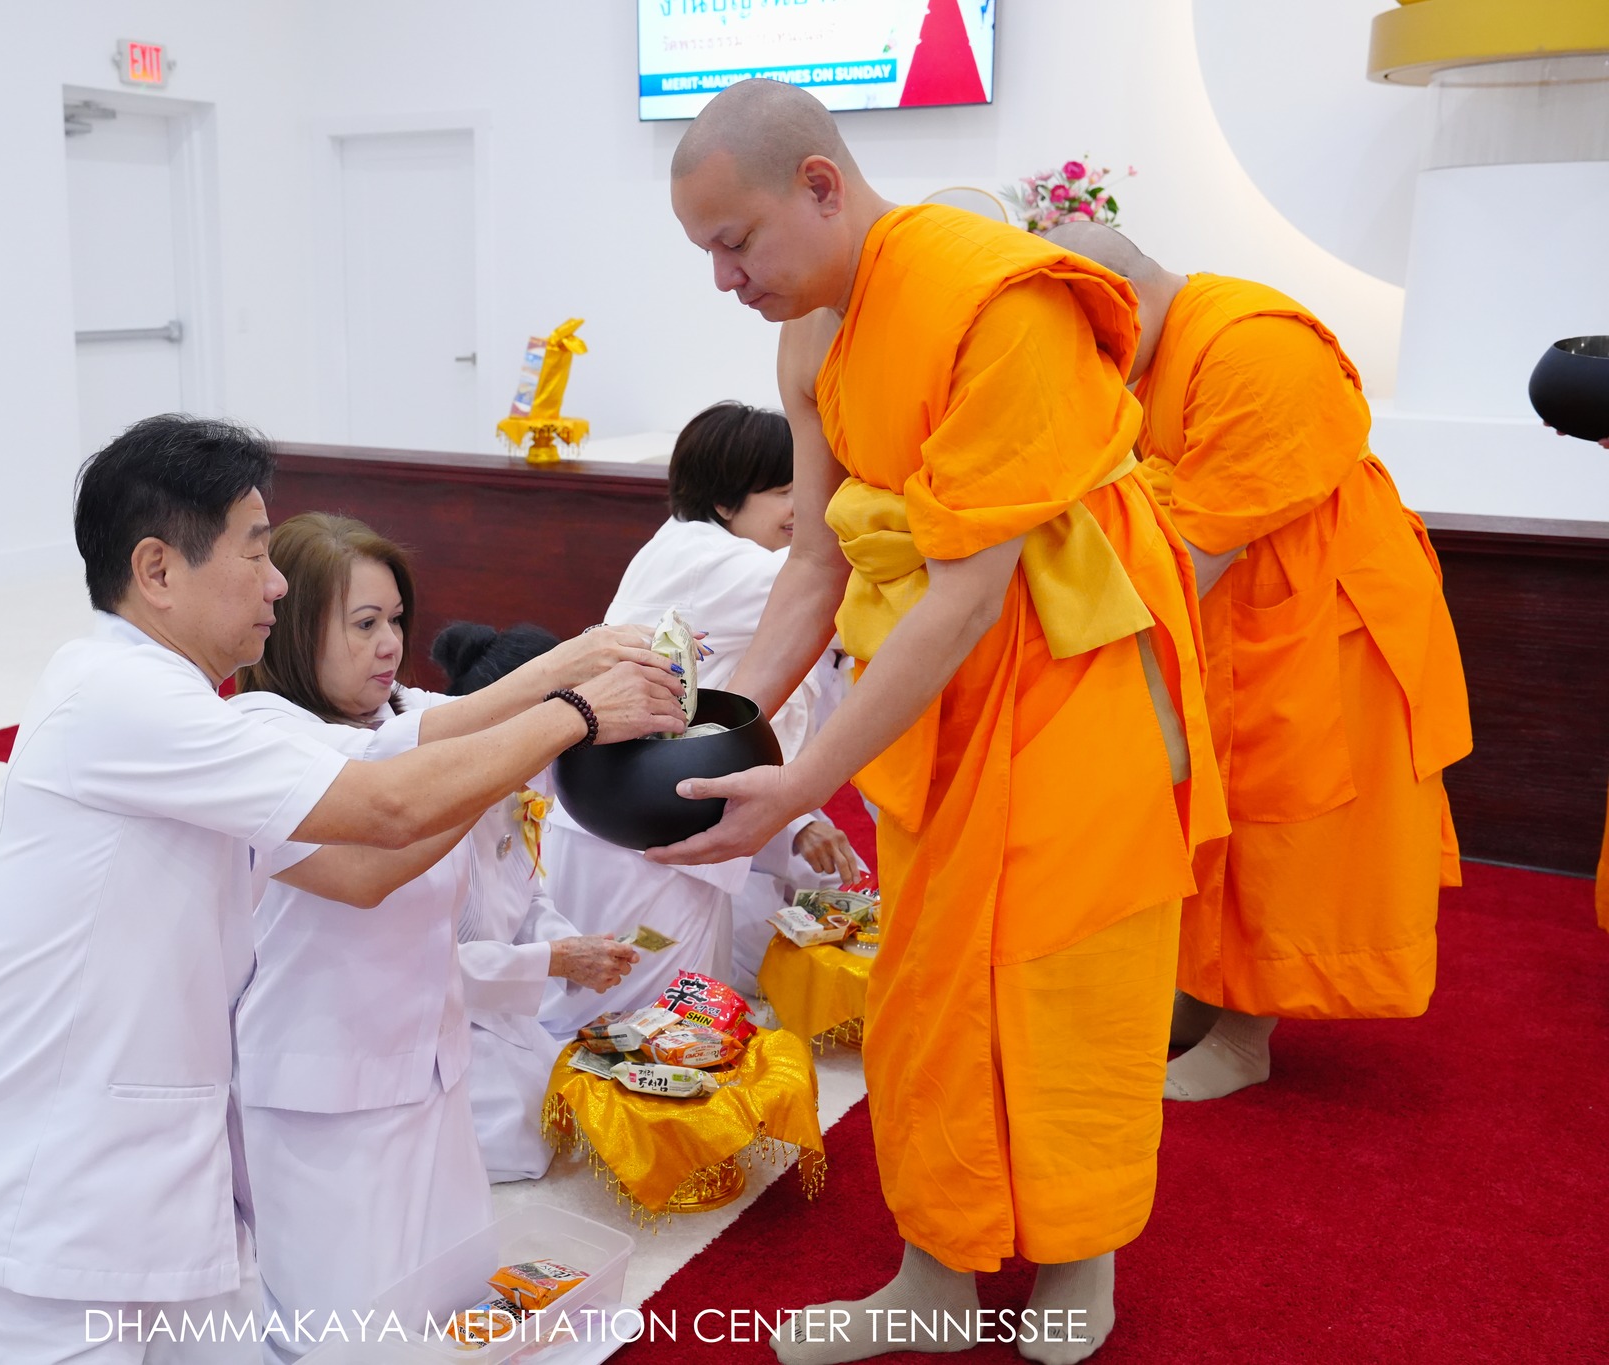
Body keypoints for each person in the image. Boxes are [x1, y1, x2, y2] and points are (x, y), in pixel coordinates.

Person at [0, 418, 685, 1365]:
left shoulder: (183, 711)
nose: (276, 580)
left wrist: (568, 669)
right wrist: (575, 710)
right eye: (256, 552)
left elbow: (366, 849)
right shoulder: (120, 697)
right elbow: (384, 806)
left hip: (166, 1191)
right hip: (43, 1213)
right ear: (158, 570)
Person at [659, 81, 1225, 1365]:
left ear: (819, 183)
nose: (722, 279)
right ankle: (936, 1273)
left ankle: (1080, 1253)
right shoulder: (809, 331)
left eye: (733, 242)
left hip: (1072, 687)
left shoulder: (997, 298)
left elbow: (972, 594)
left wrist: (803, 776)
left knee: (1064, 981)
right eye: (704, 253)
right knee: (925, 990)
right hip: (932, 703)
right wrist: (727, 726)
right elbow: (814, 557)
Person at [1042, 223, 1475, 1101]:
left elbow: (1192, 546)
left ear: (1121, 308)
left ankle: (1248, 1035)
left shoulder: (1255, 348)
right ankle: (1206, 993)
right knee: (1213, 809)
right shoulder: (1165, 348)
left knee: (1282, 822)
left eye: (1091, 353)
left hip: (1323, 625)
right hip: (1238, 612)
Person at [230, 515, 666, 1360]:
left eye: (397, 619)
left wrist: (584, 667)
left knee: (453, 1305)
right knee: (346, 1334)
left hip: (432, 1065)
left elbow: (465, 724)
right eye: (363, 624)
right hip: (325, 1087)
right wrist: (569, 693)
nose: (390, 643)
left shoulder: (406, 709)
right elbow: (390, 825)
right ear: (290, 627)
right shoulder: (261, 733)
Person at [541, 401, 862, 1028]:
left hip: (631, 820)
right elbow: (839, 579)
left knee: (647, 1013)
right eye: (786, 491)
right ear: (725, 502)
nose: (807, 511)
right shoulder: (721, 565)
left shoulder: (685, 549)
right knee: (652, 1026)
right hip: (643, 835)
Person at [430, 621, 642, 1181]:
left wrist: (572, 945)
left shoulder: (527, 783)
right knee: (515, 1136)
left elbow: (528, 894)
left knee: (572, 1097)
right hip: (432, 1016)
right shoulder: (436, 812)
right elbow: (422, 962)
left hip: (496, 1000)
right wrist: (555, 961)